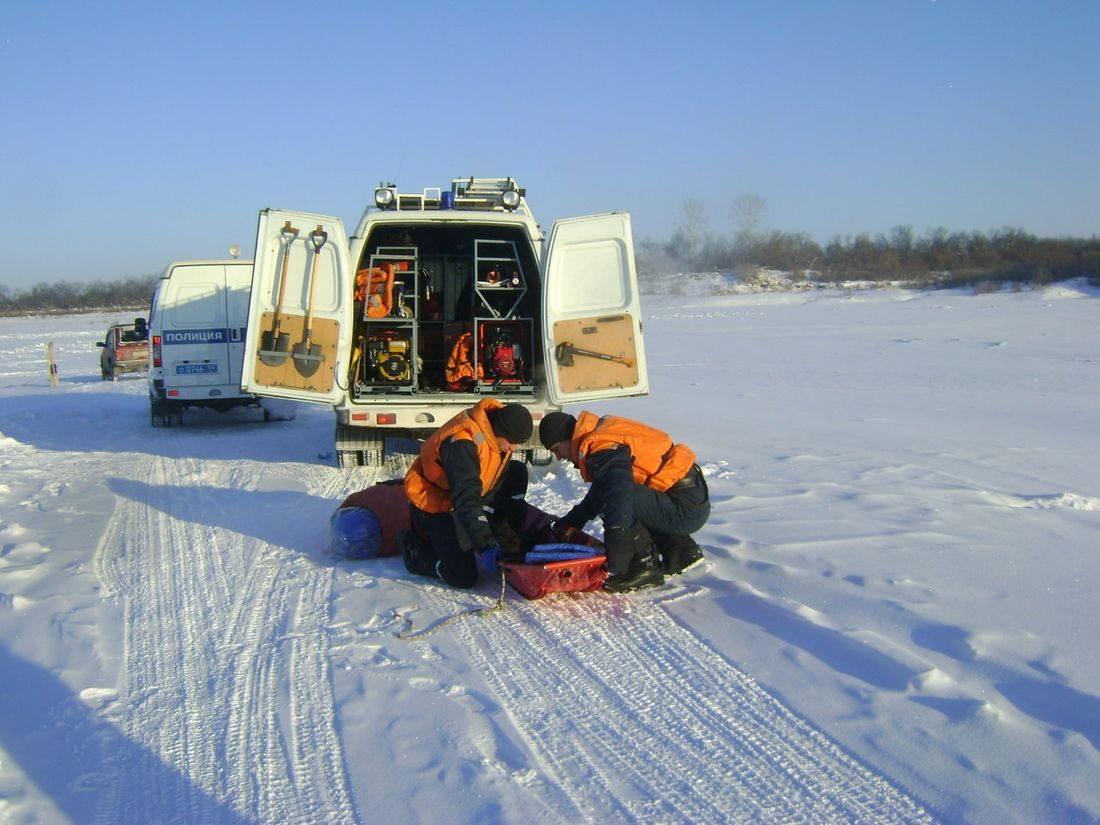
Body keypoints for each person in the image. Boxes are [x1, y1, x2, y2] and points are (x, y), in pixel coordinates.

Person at [537, 410, 709, 592]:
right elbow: (604, 487)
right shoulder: (599, 432)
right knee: (613, 489)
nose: (558, 457)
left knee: (614, 498)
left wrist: (618, 539)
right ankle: (680, 551)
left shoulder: (601, 446)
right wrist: (572, 522)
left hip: (685, 509)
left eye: (556, 449)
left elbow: (615, 493)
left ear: (567, 438)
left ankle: (643, 567)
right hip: (689, 497)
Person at [403, 399, 533, 588]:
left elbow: (492, 479)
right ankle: (416, 549)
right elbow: (465, 499)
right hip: (435, 505)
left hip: (464, 498)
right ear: (500, 431)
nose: (514, 448)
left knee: (517, 471)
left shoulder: (496, 437)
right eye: (512, 442)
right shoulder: (462, 441)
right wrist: (485, 544)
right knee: (463, 576)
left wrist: (486, 522)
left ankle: (501, 532)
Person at [328, 479, 410, 559]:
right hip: (376, 527)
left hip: (353, 517)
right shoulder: (407, 498)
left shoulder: (374, 491)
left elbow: (350, 499)